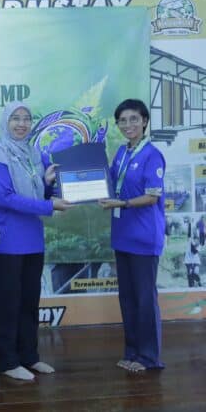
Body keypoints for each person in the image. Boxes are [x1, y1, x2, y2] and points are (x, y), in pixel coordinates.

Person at [0, 101, 71, 381]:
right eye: (15, 118)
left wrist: (46, 183)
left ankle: (29, 356)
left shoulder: (34, 152)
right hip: (5, 239)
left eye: (26, 118)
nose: (21, 124)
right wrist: (49, 206)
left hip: (33, 237)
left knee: (29, 301)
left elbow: (37, 192)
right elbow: (4, 197)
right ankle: (8, 361)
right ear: (5, 122)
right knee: (7, 302)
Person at [99, 98, 166, 372]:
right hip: (122, 235)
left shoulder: (152, 155)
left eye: (134, 119)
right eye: (123, 120)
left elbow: (151, 197)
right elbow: (108, 181)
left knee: (144, 300)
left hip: (144, 237)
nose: (128, 125)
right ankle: (132, 353)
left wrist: (123, 204)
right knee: (127, 298)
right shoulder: (122, 152)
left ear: (145, 121)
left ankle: (149, 358)